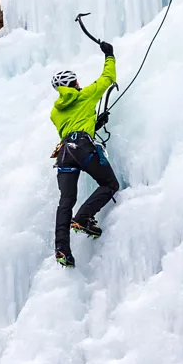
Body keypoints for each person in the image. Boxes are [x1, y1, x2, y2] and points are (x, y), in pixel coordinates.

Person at [49, 41, 120, 267]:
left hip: (64, 154)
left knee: (65, 201)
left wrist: (94, 124)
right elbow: (107, 78)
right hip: (81, 147)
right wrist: (109, 55)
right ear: (74, 83)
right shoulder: (85, 95)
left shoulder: (55, 112)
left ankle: (62, 249)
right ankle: (83, 217)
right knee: (110, 185)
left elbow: (72, 126)